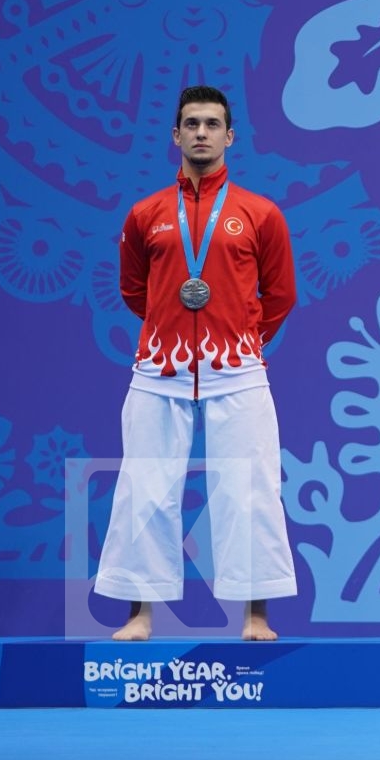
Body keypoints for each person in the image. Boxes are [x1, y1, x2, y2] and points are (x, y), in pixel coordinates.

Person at [96, 86, 298, 641]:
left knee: (249, 488)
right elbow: (134, 289)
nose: (201, 133)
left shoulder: (261, 213)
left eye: (212, 124)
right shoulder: (146, 214)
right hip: (159, 371)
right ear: (176, 135)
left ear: (229, 136)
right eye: (192, 123)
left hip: (238, 370)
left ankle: (256, 616)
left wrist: (237, 340)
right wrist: (171, 331)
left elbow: (280, 294)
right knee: (144, 488)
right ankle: (140, 615)